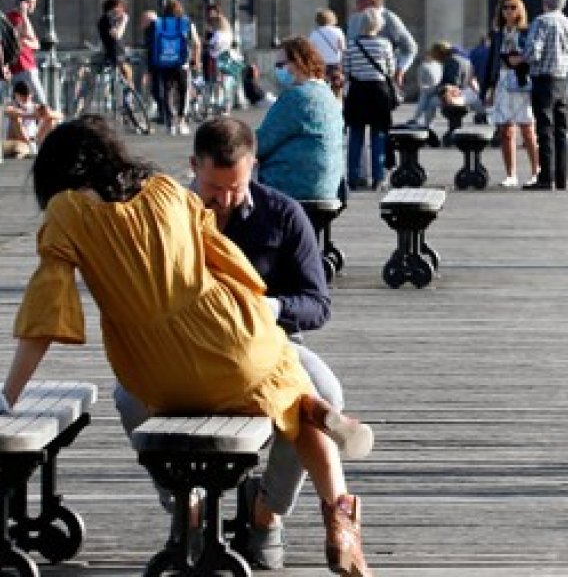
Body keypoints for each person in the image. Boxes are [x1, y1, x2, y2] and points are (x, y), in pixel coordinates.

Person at [1, 116, 373, 575]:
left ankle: (190, 518)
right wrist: (248, 316)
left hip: (156, 369)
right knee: (297, 397)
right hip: (234, 342)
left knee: (138, 402)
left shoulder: (66, 214)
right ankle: (340, 523)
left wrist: (8, 394)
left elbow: (44, 316)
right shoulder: (166, 191)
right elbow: (230, 264)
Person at [112, 116, 345, 569]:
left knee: (327, 397)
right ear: (193, 166)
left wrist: (269, 308)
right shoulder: (165, 217)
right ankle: (186, 509)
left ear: (254, 166)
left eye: (236, 188)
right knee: (127, 397)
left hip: (269, 348)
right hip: (185, 350)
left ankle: (267, 513)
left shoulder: (284, 214)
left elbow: (318, 303)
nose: (225, 200)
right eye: (214, 189)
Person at [257, 36, 345, 201]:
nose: (278, 71)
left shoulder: (297, 97)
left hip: (292, 185)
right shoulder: (326, 93)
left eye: (280, 65)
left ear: (297, 63)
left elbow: (260, 143)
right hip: (326, 186)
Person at [520, 0, 568, 192]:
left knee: (544, 129)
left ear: (545, 2)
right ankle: (562, 179)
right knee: (561, 130)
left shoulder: (541, 21)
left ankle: (546, 178)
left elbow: (533, 51)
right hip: (562, 81)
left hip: (543, 80)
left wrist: (523, 58)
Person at [484, 0, 538, 187]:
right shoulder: (497, 33)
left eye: (513, 7)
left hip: (522, 81)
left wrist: (522, 59)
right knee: (506, 130)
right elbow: (492, 61)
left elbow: (535, 54)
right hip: (503, 80)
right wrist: (488, 88)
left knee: (527, 128)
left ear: (519, 10)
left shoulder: (527, 31)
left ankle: (535, 171)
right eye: (505, 7)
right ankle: (511, 174)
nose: (508, 11)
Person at [343, 6, 397, 191]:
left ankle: (353, 177)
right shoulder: (385, 44)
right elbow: (390, 69)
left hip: (358, 91)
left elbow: (347, 70)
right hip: (379, 92)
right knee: (378, 136)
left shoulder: (352, 45)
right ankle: (378, 177)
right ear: (379, 25)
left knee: (356, 136)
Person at [346, 0, 418, 96]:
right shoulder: (354, 18)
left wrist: (400, 70)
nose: (356, 3)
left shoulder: (390, 19)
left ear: (373, 0)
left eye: (360, 0)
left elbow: (410, 48)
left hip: (380, 81)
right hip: (356, 82)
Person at [150, 0, 202, 136]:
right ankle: (181, 121)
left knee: (167, 91)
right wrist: (196, 60)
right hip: (182, 63)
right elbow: (197, 43)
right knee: (184, 91)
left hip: (164, 61)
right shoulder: (186, 23)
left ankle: (170, 123)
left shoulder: (159, 23)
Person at [6, 0, 46, 104]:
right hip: (22, 66)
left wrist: (25, 41)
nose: (33, 6)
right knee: (40, 103)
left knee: (26, 105)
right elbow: (27, 34)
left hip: (28, 66)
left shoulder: (24, 19)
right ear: (23, 3)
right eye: (31, 3)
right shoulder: (14, 17)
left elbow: (36, 44)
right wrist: (24, 15)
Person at [3, 80, 60, 158]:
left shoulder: (35, 106)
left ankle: (42, 146)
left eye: (28, 95)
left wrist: (46, 114)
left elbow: (59, 115)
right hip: (17, 141)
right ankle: (28, 146)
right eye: (23, 96)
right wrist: (32, 115)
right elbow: (8, 111)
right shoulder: (11, 105)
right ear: (16, 95)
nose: (26, 98)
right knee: (15, 118)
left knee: (51, 119)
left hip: (33, 139)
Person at [310, 8, 347, 99]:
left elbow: (311, 51)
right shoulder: (338, 31)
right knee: (337, 90)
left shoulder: (314, 34)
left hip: (321, 65)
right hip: (336, 65)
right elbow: (342, 48)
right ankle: (337, 108)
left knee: (321, 91)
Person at [97, 0, 132, 86]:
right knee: (125, 84)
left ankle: (126, 99)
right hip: (116, 57)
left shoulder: (111, 20)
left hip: (119, 55)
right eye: (121, 7)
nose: (122, 11)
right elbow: (117, 35)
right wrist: (124, 21)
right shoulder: (107, 19)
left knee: (127, 83)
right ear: (114, 7)